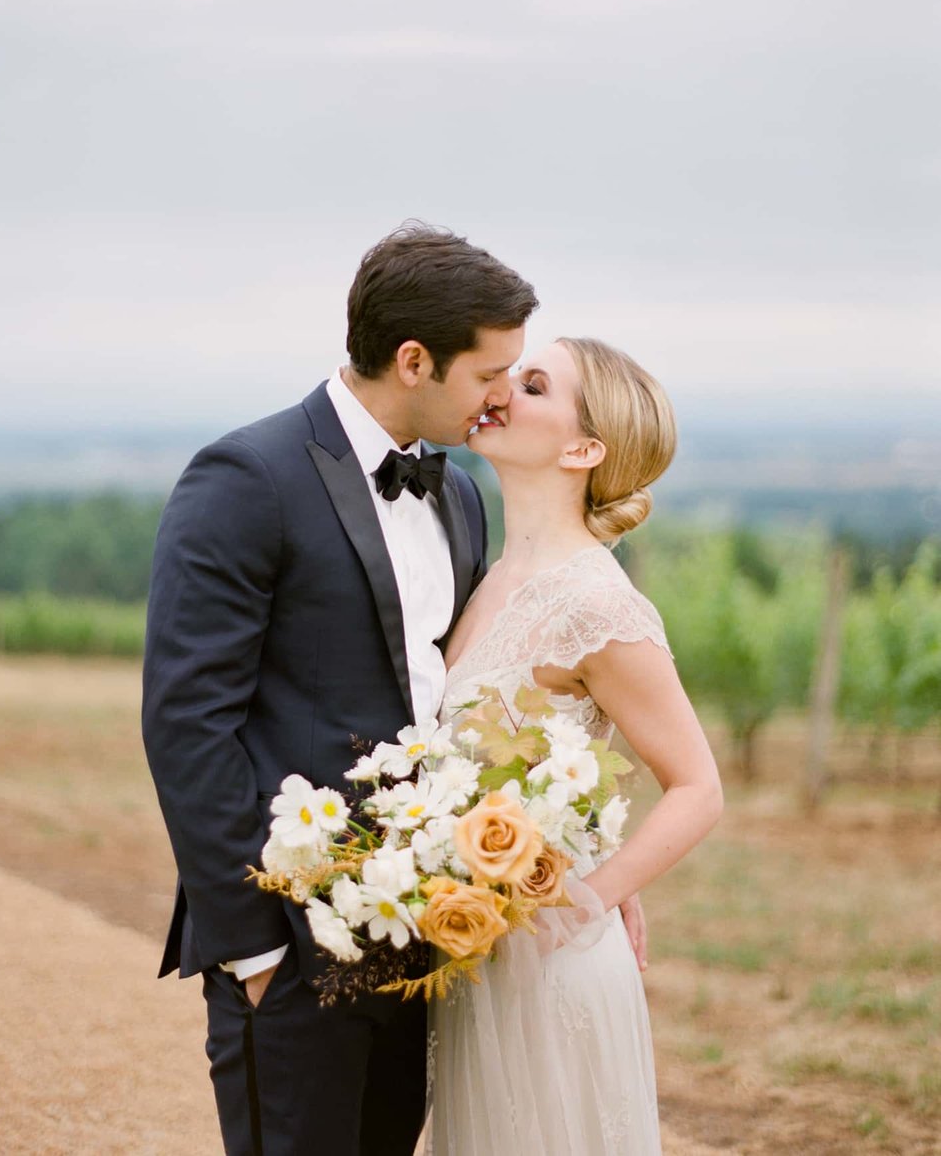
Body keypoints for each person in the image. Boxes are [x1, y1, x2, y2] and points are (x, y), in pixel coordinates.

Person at [141, 222, 540, 1156]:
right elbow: (187, 720)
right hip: (284, 943)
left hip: (419, 936)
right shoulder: (248, 476)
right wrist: (254, 946)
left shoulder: (461, 493)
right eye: (489, 373)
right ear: (414, 359)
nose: (498, 400)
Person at [431, 337, 724, 1156]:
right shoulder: (482, 573)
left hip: (549, 967)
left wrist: (591, 892)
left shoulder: (598, 604)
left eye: (529, 384)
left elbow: (698, 785)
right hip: (470, 957)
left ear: (583, 448)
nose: (498, 390)